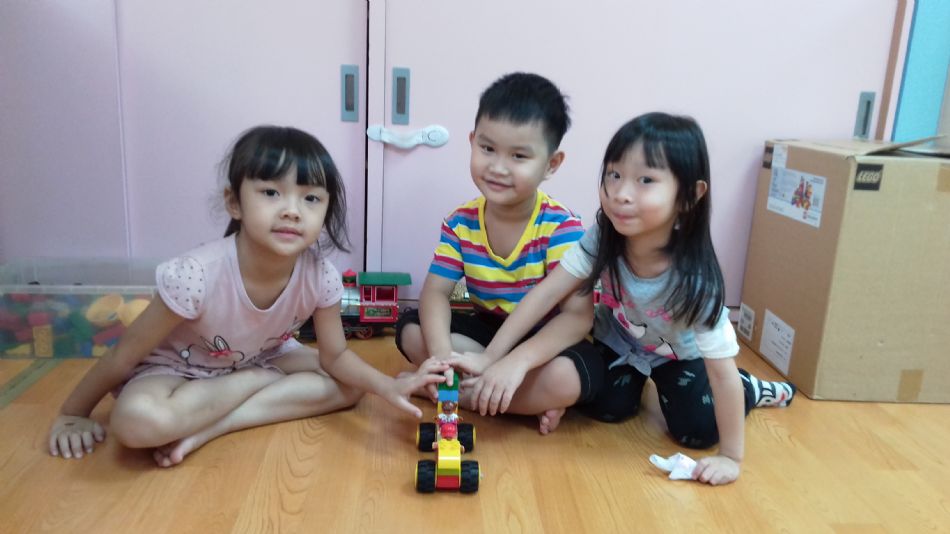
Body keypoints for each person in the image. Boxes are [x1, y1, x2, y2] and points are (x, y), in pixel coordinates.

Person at [47, 125, 448, 467]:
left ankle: (213, 427)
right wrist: (72, 413)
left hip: (265, 355)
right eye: (271, 193)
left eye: (310, 198)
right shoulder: (195, 275)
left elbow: (337, 358)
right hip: (177, 370)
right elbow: (124, 354)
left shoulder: (320, 276)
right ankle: (255, 382)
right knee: (135, 424)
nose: (292, 210)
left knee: (351, 385)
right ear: (234, 203)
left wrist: (389, 386)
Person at [469, 113, 795, 485]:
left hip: (679, 356)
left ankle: (752, 387)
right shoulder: (604, 234)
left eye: (646, 180)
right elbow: (547, 292)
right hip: (620, 343)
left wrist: (731, 458)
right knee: (604, 407)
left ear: (690, 195)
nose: (621, 193)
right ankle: (635, 388)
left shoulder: (696, 282)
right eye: (614, 174)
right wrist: (492, 357)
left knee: (697, 431)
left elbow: (720, 374)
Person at [395, 72, 604, 435]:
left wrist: (516, 362)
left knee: (572, 376)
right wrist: (442, 359)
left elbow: (576, 318)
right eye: (487, 149)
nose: (497, 167)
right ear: (472, 141)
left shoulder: (562, 228)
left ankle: (460, 395)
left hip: (542, 343)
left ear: (552, 164)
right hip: (487, 335)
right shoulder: (461, 223)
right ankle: (498, 396)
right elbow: (435, 293)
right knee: (412, 330)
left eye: (519, 156)